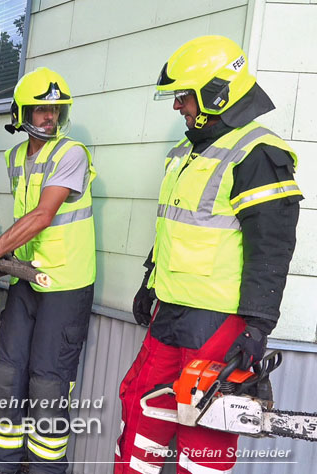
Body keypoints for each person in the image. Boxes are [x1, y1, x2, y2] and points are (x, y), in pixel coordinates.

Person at [115, 35, 303, 474]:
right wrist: (150, 280)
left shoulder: (258, 153)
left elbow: (272, 247)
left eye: (184, 97)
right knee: (142, 405)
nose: (178, 106)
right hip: (172, 308)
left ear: (217, 93)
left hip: (219, 321)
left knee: (204, 434)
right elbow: (176, 225)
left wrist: (258, 327)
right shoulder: (188, 149)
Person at [0, 67, 97, 474]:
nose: (49, 117)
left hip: (66, 284)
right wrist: (5, 263)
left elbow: (42, 214)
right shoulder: (14, 157)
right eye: (41, 109)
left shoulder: (70, 153)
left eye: (56, 110)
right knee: (8, 373)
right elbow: (26, 219)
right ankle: (2, 465)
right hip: (29, 276)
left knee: (48, 385)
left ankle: (44, 471)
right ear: (21, 112)